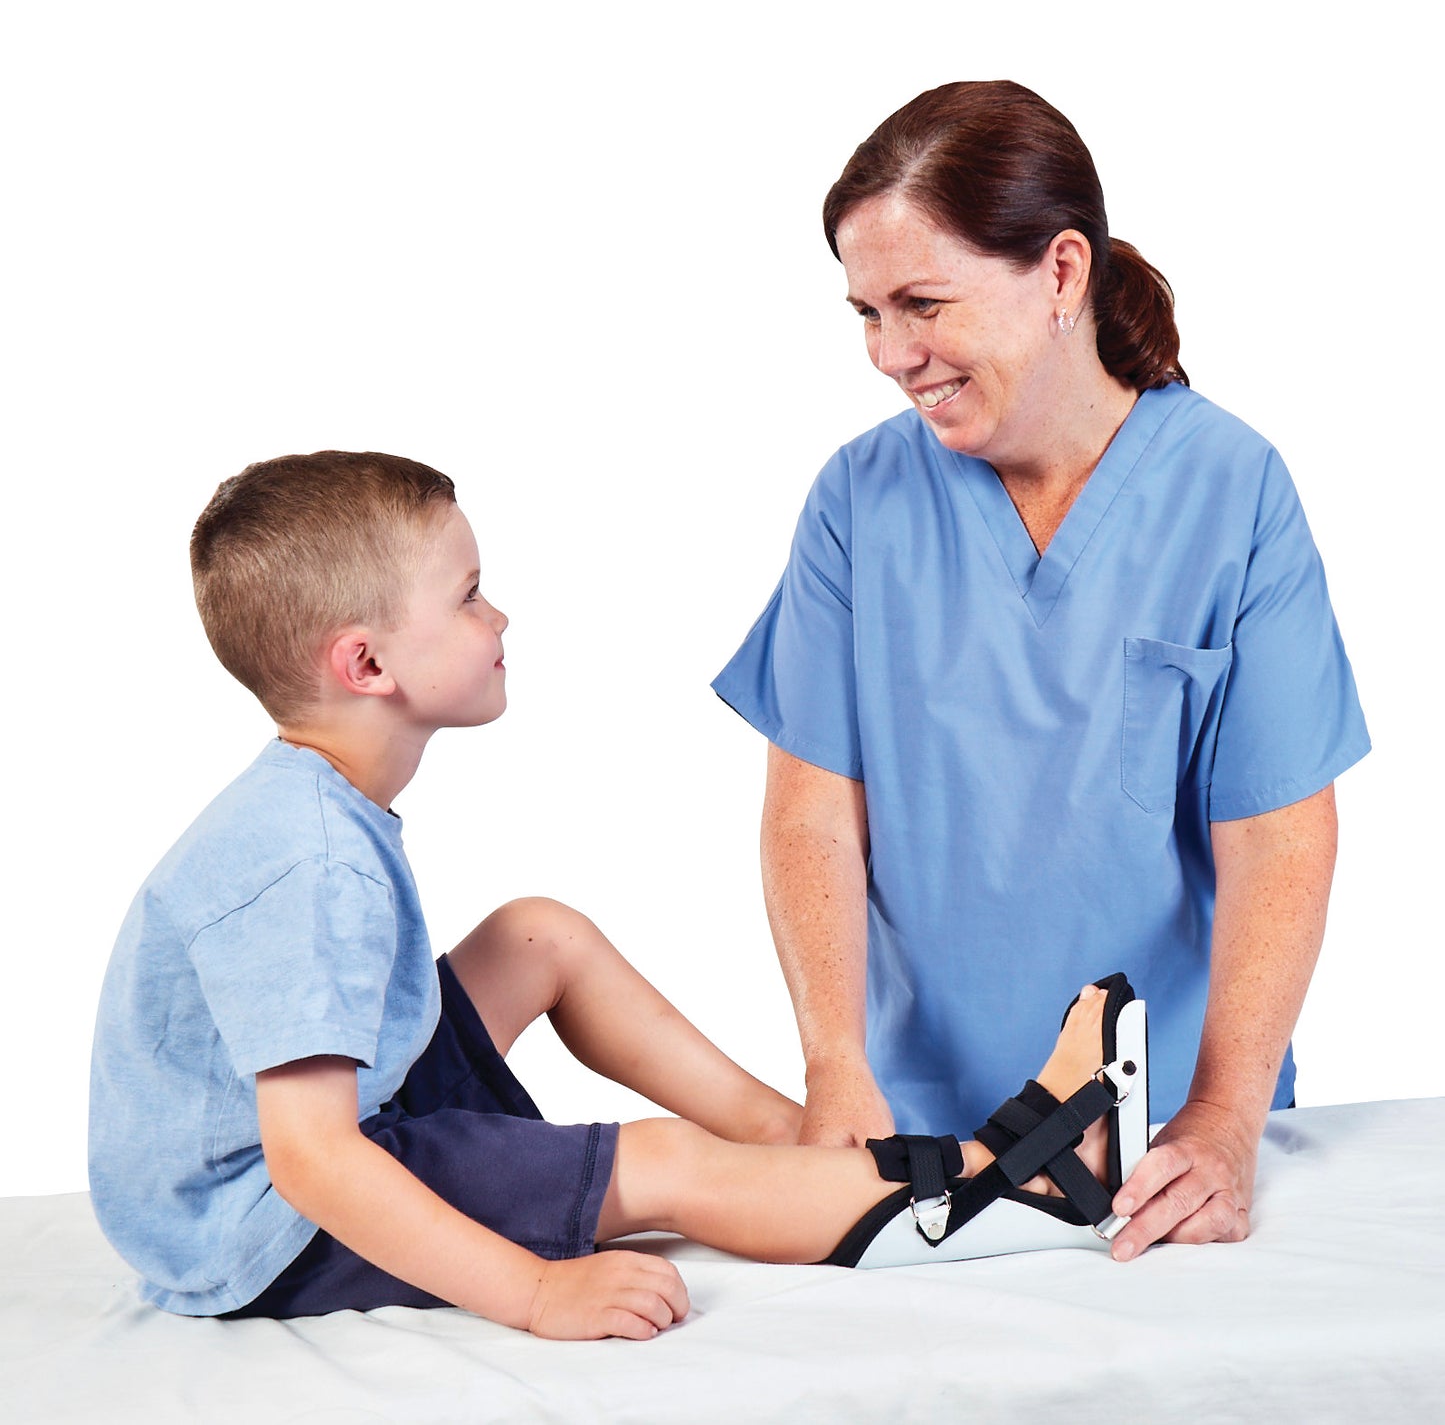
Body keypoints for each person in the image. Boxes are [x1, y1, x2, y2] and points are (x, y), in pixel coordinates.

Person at [89, 449, 1132, 1340]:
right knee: (664, 1162)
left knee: (535, 934)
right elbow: (312, 1155)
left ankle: (799, 1143)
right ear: (365, 662)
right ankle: (1018, 1172)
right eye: (465, 594)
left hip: (303, 1146)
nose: (498, 611)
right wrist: (536, 1291)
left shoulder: (317, 807)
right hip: (270, 1228)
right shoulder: (306, 858)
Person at [712, 80, 1369, 1265]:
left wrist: (1220, 1119)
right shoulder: (858, 502)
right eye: (863, 312)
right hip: (921, 1138)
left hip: (1161, 1151)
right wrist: (834, 1067)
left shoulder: (1231, 491)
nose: (889, 355)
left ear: (1060, 272)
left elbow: (1276, 833)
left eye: (921, 304)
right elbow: (812, 814)